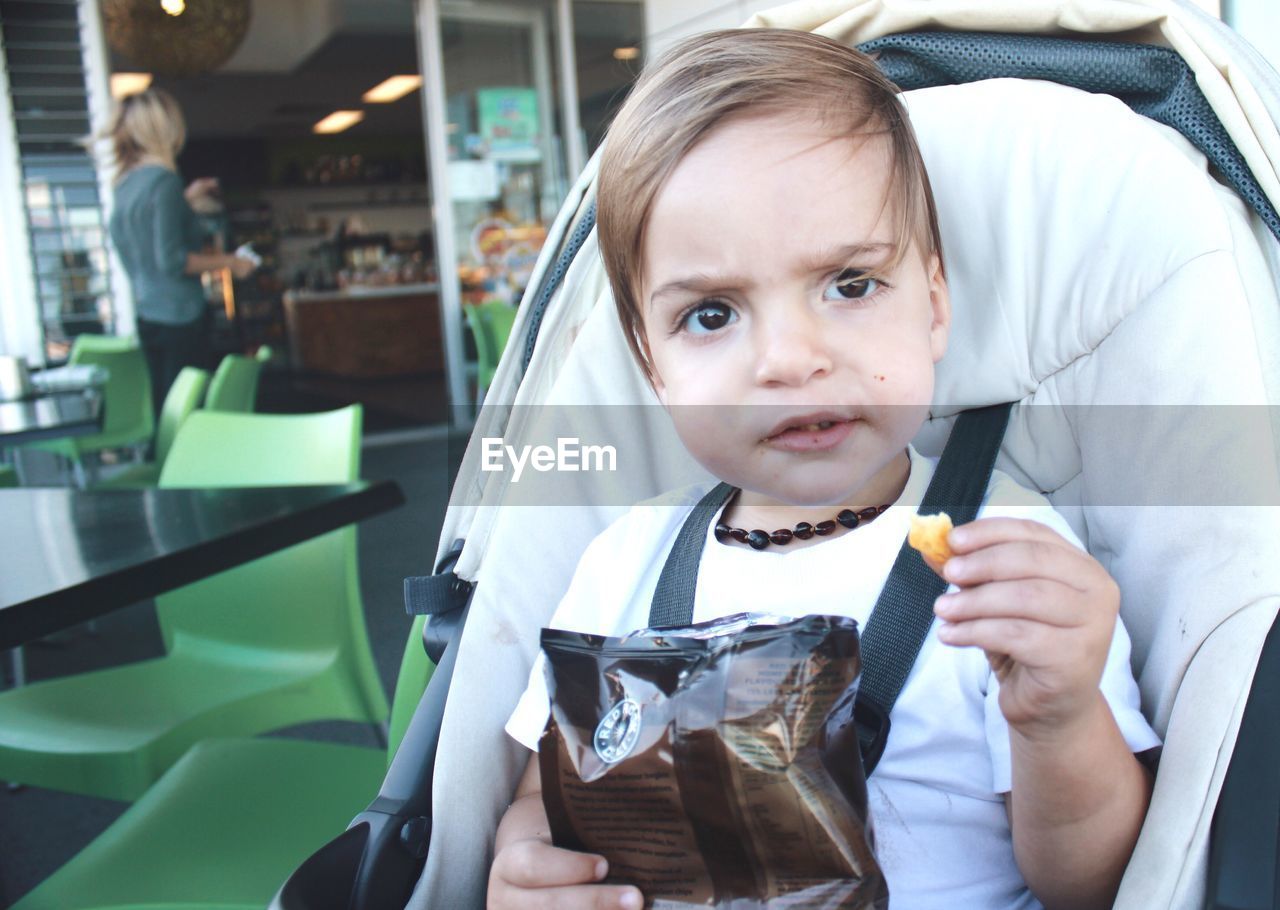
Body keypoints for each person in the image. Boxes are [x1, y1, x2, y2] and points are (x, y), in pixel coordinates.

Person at [489, 29, 1160, 910]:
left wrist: (1059, 717)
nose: (790, 358)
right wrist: (524, 864)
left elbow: (1094, 885)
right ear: (652, 365)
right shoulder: (626, 560)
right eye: (713, 312)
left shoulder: (1005, 562)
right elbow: (547, 796)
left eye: (849, 284)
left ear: (933, 307)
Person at [104, 88, 255, 415]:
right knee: (188, 413)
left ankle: (166, 466)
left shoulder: (126, 185)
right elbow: (172, 260)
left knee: (166, 411)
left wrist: (185, 200)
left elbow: (143, 234)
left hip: (149, 315)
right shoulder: (163, 181)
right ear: (165, 128)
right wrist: (231, 262)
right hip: (181, 316)